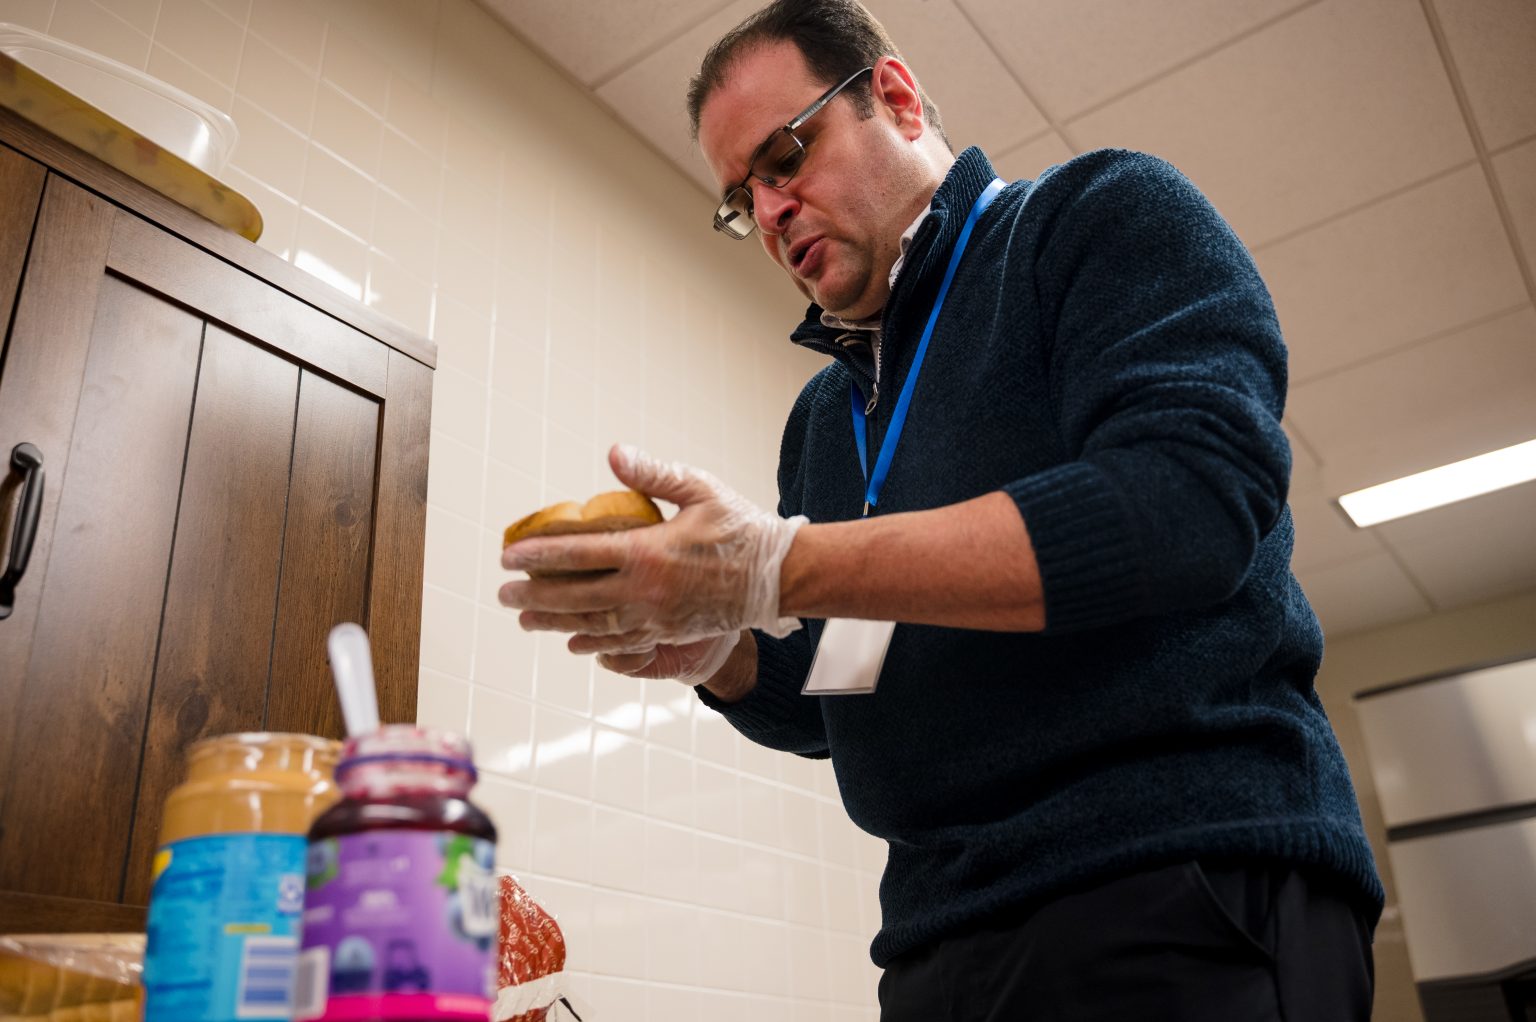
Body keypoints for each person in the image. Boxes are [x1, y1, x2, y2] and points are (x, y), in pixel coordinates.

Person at [498, 1, 1383, 1017]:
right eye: (743, 198)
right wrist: (721, 652)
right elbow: (849, 683)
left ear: (897, 97)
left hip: (1178, 877)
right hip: (939, 938)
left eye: (786, 156)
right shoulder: (827, 422)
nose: (771, 210)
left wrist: (775, 566)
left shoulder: (1095, 217)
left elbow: (1186, 507)